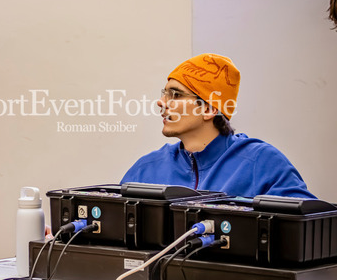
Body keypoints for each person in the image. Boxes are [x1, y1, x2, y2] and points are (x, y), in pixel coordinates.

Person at [121, 53, 315, 199]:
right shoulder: (146, 169)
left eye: (176, 95)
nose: (161, 102)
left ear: (209, 109)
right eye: (164, 93)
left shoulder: (261, 162)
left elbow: (308, 226)